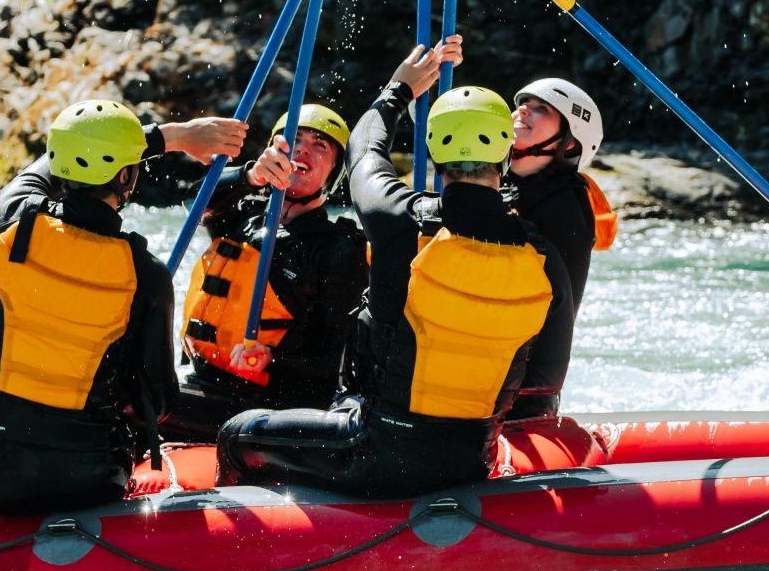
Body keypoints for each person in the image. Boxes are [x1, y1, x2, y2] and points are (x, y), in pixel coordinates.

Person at [216, 37, 572, 496]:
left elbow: (365, 150)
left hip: (373, 449)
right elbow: (545, 377)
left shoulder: (398, 218)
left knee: (235, 434)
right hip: (474, 456)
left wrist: (398, 91)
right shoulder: (544, 257)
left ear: (435, 154)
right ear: (506, 154)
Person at [0, 101, 247, 513]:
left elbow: (44, 169)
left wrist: (172, 136)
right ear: (126, 176)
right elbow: (158, 403)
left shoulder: (12, 220)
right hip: (97, 477)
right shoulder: (147, 273)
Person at [167, 103, 371, 438]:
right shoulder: (240, 215)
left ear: (334, 172)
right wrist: (249, 177)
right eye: (294, 138)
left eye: (320, 145)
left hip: (271, 403)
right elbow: (193, 204)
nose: (303, 147)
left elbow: (342, 362)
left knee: (140, 399)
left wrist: (274, 359)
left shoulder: (338, 250)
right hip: (205, 381)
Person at [505, 77, 616, 418]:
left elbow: (558, 305)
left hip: (522, 389)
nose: (523, 109)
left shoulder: (566, 206)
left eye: (542, 110)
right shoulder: (494, 181)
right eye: (523, 102)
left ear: (568, 144)